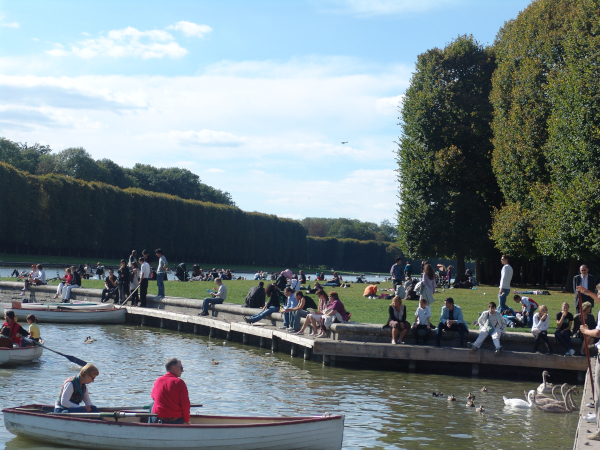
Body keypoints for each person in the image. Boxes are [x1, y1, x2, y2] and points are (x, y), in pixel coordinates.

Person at [150, 358, 191, 424]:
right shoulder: (179, 383)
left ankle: (150, 429)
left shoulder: (158, 380)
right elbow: (185, 405)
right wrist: (186, 421)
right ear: (173, 368)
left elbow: (153, 397)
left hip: (159, 419)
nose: (182, 371)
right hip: (175, 420)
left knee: (152, 405)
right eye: (181, 368)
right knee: (152, 405)